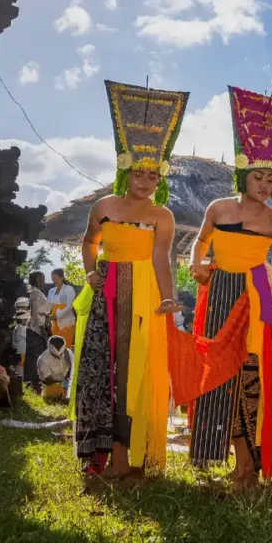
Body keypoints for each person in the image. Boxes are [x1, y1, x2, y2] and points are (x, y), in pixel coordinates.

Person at [170, 85, 272, 490]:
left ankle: (248, 467)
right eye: (258, 176)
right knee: (215, 371)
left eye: (271, 179)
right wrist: (195, 266)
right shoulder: (218, 208)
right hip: (219, 291)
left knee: (248, 375)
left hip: (255, 299)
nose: (264, 184)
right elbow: (200, 244)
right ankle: (207, 454)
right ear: (243, 175)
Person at [71, 79, 185, 485]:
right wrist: (89, 272)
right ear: (126, 171)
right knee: (105, 372)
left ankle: (137, 460)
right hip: (106, 292)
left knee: (137, 373)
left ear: (160, 180)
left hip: (144, 297)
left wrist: (168, 298)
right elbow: (89, 243)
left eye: (153, 177)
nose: (145, 182)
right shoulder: (104, 207)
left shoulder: (163, 216)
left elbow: (160, 258)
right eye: (140, 173)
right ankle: (109, 458)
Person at [24, 271, 52, 381]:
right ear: (37, 280)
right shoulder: (35, 293)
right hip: (35, 329)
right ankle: (33, 381)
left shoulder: (38, 292)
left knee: (37, 355)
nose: (44, 282)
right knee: (36, 356)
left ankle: (33, 380)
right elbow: (35, 312)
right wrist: (42, 328)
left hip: (37, 328)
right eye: (43, 279)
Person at [35, 334, 73, 399]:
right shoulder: (43, 359)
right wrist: (64, 385)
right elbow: (48, 379)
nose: (59, 357)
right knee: (56, 393)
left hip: (66, 382)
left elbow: (73, 369)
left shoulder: (68, 353)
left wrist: (69, 379)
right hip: (51, 384)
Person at [47, 268, 78, 346]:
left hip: (66, 323)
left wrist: (57, 316)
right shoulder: (51, 291)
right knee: (55, 347)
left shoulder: (69, 289)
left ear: (62, 277)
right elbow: (48, 305)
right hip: (54, 324)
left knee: (65, 346)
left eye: (56, 278)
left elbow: (69, 306)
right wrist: (47, 315)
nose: (54, 281)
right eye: (52, 279)